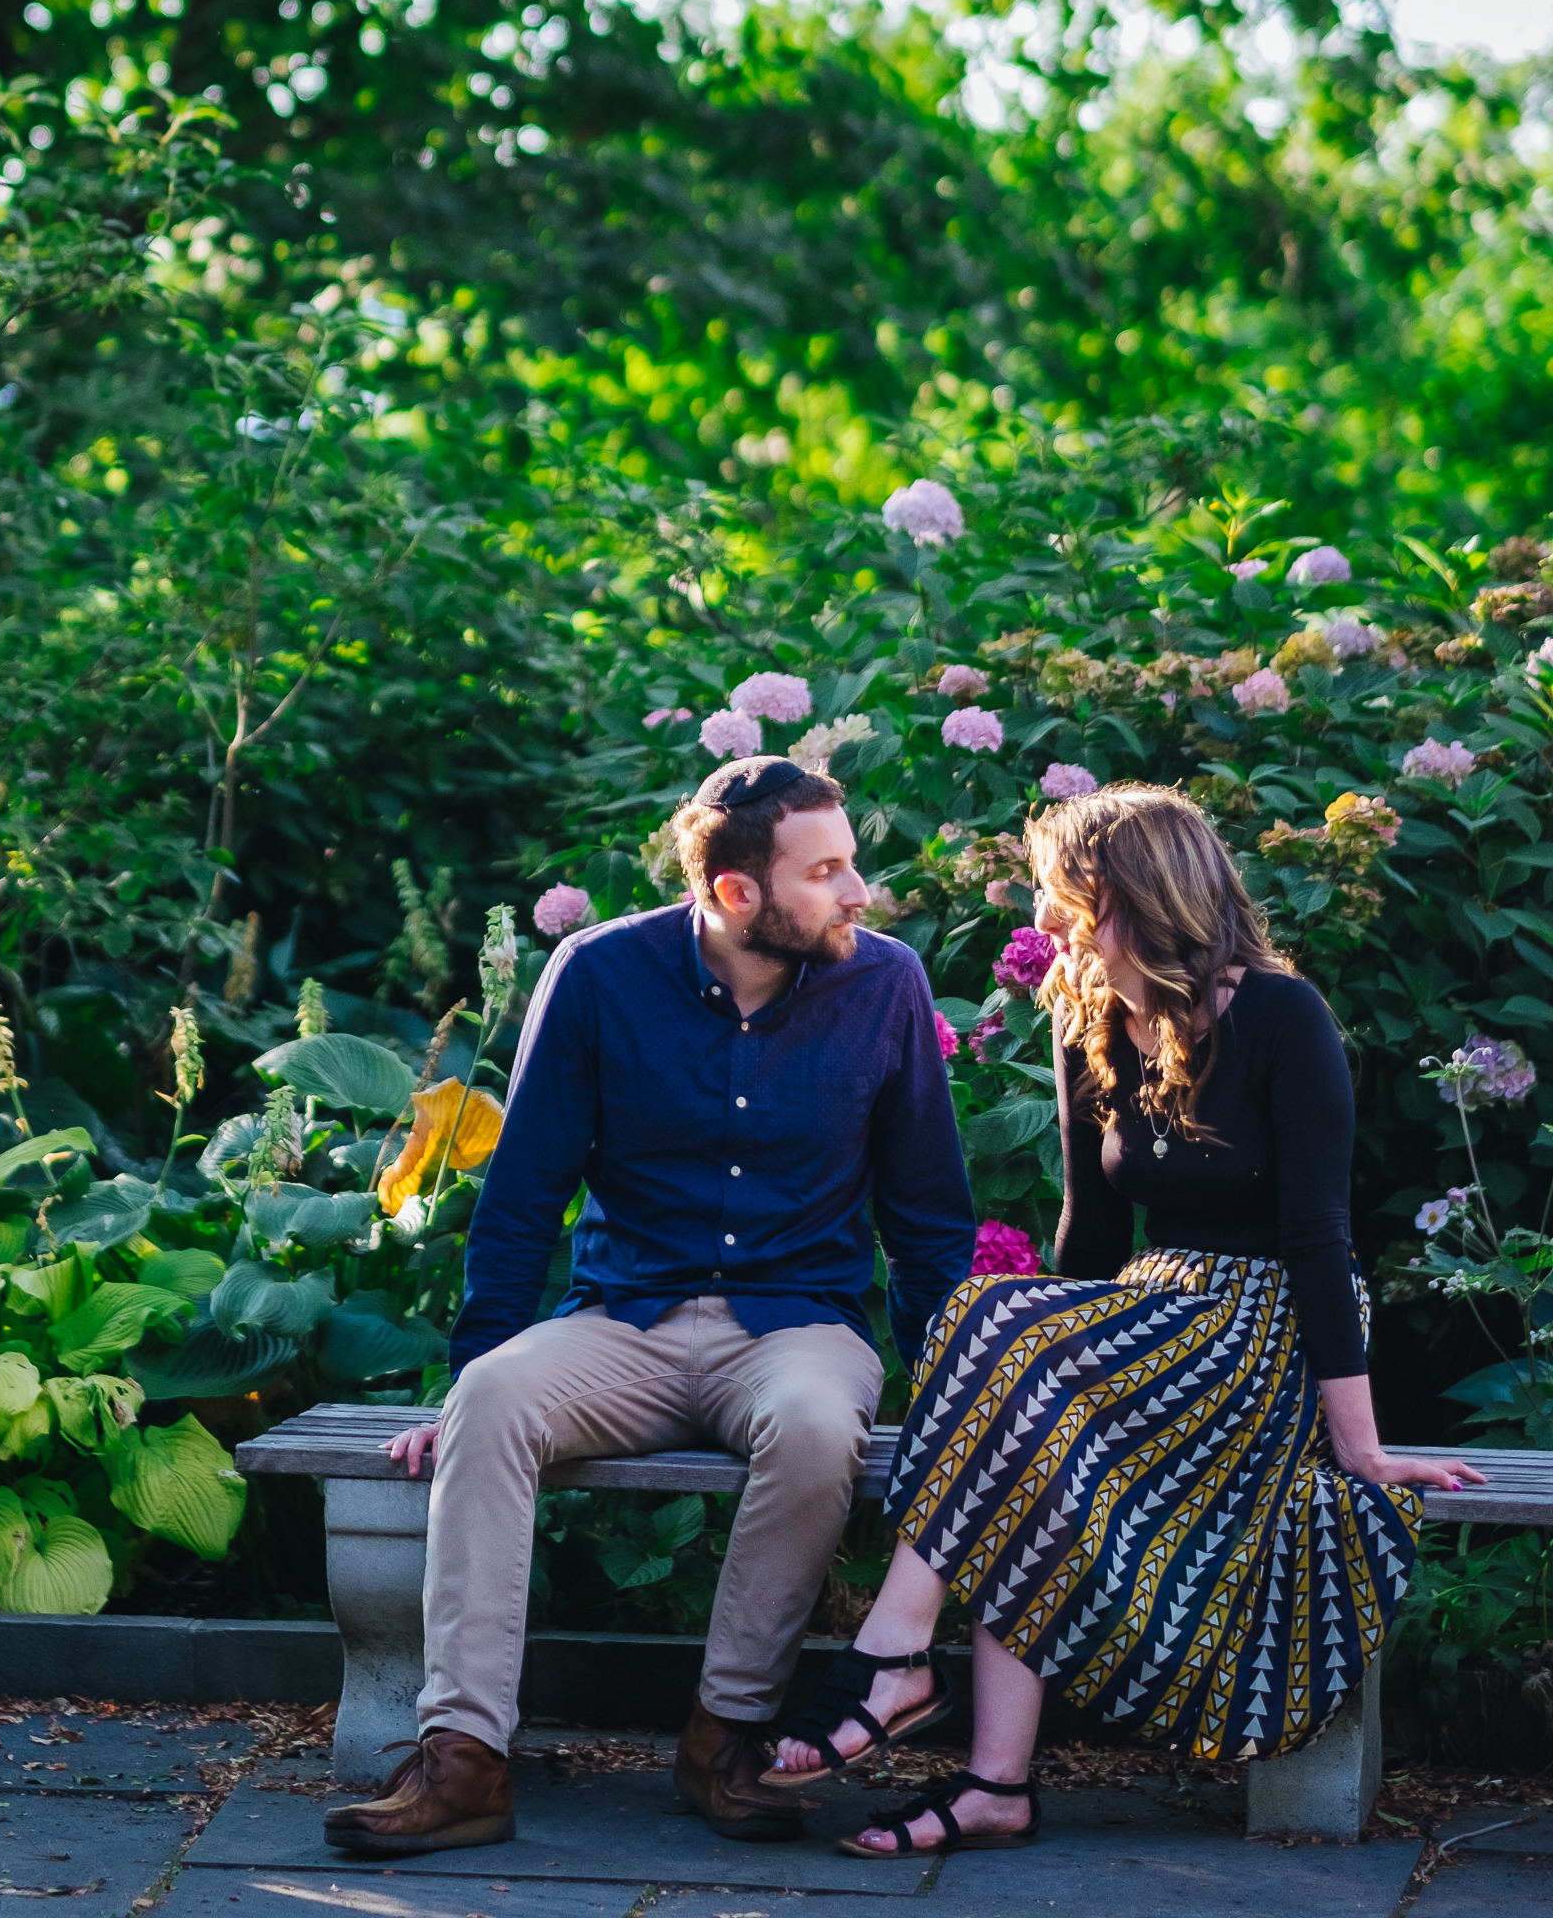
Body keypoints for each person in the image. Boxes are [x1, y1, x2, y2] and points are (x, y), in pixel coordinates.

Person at [764, 779, 1484, 1860]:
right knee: (1007, 1377)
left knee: (1008, 1343)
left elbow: (1320, 1240)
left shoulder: (1280, 1018)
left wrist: (1359, 1445)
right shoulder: (1089, 1016)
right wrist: (1035, 1354)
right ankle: (994, 1785)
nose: (1051, 921)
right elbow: (1087, 1238)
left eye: (1070, 897)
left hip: (1259, 1328)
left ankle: (893, 1649)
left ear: (1141, 897)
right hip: (1143, 1320)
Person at [322, 752, 976, 1860]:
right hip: (620, 1321)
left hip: (796, 1326)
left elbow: (926, 1215)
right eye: (825, 872)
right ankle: (462, 1763)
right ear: (733, 891)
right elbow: (521, 1192)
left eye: (849, 864)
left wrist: (957, 1397)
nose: (857, 892)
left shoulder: (885, 984)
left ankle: (724, 1738)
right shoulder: (597, 974)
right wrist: (467, 1377)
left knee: (820, 1425)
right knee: (491, 1396)